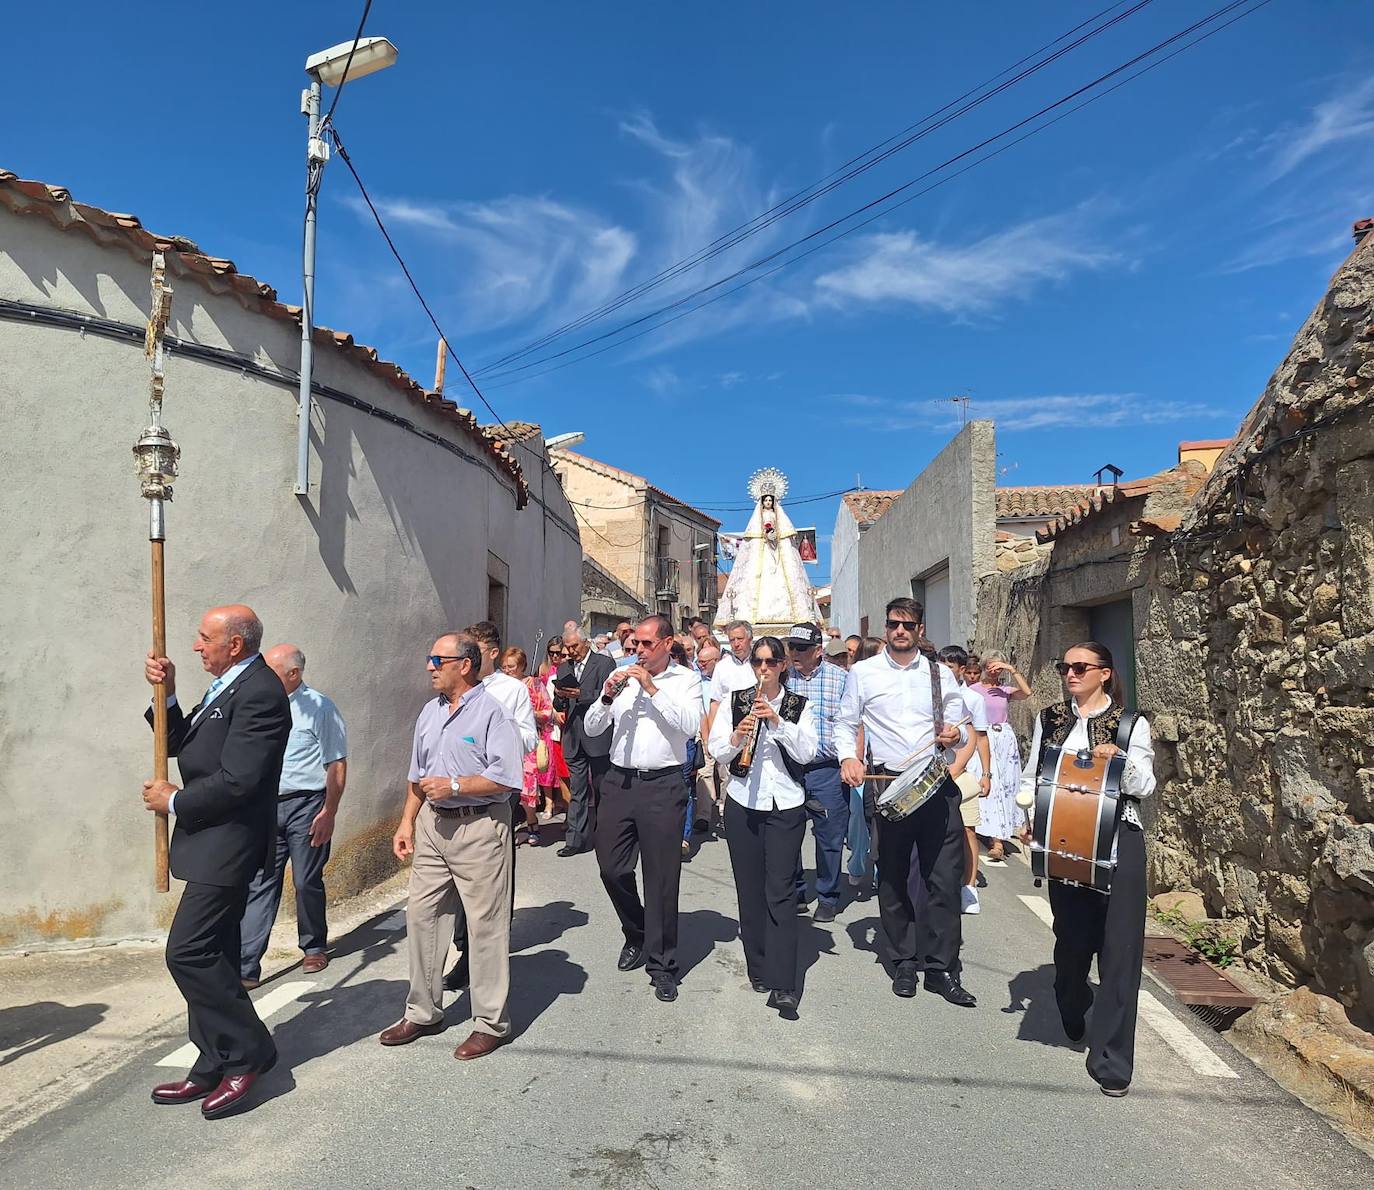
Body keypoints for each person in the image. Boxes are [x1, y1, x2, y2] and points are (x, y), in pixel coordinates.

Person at [142, 605, 291, 1118]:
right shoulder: (229, 683)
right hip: (211, 842)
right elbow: (182, 742)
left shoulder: (261, 694)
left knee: (189, 952)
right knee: (219, 955)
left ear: (235, 644)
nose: (196, 645)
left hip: (230, 843)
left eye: (205, 638)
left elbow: (240, 779)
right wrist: (170, 693)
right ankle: (212, 1061)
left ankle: (250, 1052)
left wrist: (175, 801)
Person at [380, 633, 524, 1061]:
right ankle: (423, 1011)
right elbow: (417, 776)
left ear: (465, 664)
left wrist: (457, 784)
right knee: (422, 917)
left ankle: (490, 1023)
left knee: (485, 926)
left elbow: (506, 777)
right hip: (431, 827)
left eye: (437, 659)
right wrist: (406, 821)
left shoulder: (493, 714)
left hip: (479, 827)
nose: (429, 666)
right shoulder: (430, 712)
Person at [1022, 642, 1155, 1097]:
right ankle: (1072, 998)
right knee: (1074, 945)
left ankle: (1112, 1062)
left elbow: (1145, 784)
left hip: (1120, 842)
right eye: (1066, 667)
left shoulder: (1130, 724)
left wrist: (1120, 761)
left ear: (1104, 673)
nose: (1070, 674)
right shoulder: (1051, 719)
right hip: (1065, 843)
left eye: (1080, 667)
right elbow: (1032, 777)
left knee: (1120, 953)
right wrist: (1028, 820)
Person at [836, 598, 975, 1006]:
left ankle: (942, 968)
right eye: (894, 624)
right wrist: (848, 757)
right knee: (894, 878)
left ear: (920, 629)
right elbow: (846, 723)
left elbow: (962, 728)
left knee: (944, 880)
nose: (900, 630)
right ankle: (903, 961)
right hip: (889, 784)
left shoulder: (939, 675)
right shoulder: (863, 673)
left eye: (908, 624)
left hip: (934, 786)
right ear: (886, 628)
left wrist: (954, 737)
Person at [583, 614, 703, 1002]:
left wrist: (651, 689)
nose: (638, 651)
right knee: (612, 868)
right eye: (635, 644)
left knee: (662, 878)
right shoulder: (620, 675)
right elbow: (592, 728)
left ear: (667, 644)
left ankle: (663, 964)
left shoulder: (686, 680)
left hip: (663, 785)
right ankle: (636, 931)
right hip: (619, 781)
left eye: (647, 644)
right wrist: (606, 697)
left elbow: (687, 727)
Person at [710, 636, 818, 1018]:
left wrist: (777, 721)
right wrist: (739, 733)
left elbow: (807, 752)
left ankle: (785, 983)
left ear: (783, 665)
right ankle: (758, 967)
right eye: (758, 661)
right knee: (750, 891)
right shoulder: (735, 700)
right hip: (744, 804)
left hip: (785, 806)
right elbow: (717, 750)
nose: (764, 669)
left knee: (781, 892)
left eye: (772, 662)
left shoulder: (797, 705)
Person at [239, 644, 347, 987]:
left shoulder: (320, 709)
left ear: (293, 674)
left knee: (305, 881)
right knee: (260, 883)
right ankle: (247, 964)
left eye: (271, 671)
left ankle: (313, 946)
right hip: (266, 807)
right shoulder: (258, 706)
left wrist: (329, 811)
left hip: (307, 806)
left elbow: (336, 763)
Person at [443, 621, 537, 990]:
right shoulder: (456, 689)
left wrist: (494, 730)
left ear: (493, 653)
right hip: (455, 792)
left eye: (474, 651)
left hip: (494, 791)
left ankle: (478, 957)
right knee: (454, 879)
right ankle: (463, 947)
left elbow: (528, 738)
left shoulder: (511, 691)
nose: (465, 658)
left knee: (491, 881)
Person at [784, 623, 850, 922]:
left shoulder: (841, 680)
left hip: (826, 771)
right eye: (792, 647)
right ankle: (796, 891)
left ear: (818, 651)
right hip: (790, 769)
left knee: (829, 836)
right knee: (788, 833)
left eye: (801, 648)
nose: (794, 653)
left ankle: (828, 895)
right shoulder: (783, 678)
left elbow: (851, 724)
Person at [936, 646, 991, 916]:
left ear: (961, 669)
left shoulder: (972, 698)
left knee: (968, 829)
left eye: (951, 666)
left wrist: (985, 773)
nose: (946, 670)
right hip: (931, 774)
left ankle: (969, 887)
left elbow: (978, 736)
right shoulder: (931, 693)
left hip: (959, 772)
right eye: (942, 664)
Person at [554, 623, 615, 857]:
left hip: (598, 736)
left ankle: (604, 836)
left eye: (574, 646)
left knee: (601, 789)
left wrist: (581, 695)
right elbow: (560, 705)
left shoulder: (603, 663)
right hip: (574, 735)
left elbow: (607, 696)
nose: (570, 652)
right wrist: (559, 697)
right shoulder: (564, 667)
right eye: (567, 648)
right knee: (577, 789)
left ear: (585, 642)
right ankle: (575, 839)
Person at [971, 651, 1030, 862]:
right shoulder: (973, 691)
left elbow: (1027, 692)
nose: (994, 671)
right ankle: (993, 837)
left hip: (1004, 738)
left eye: (998, 667)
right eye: (990, 666)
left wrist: (1011, 670)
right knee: (990, 786)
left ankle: (999, 835)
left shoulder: (1004, 690)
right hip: (983, 738)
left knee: (1006, 786)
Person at [500, 647, 553, 847]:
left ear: (522, 666)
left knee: (527, 786)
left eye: (511, 666)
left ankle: (532, 822)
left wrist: (529, 713)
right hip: (505, 742)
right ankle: (509, 826)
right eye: (504, 667)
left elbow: (547, 712)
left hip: (527, 742)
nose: (507, 670)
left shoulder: (534, 684)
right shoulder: (500, 686)